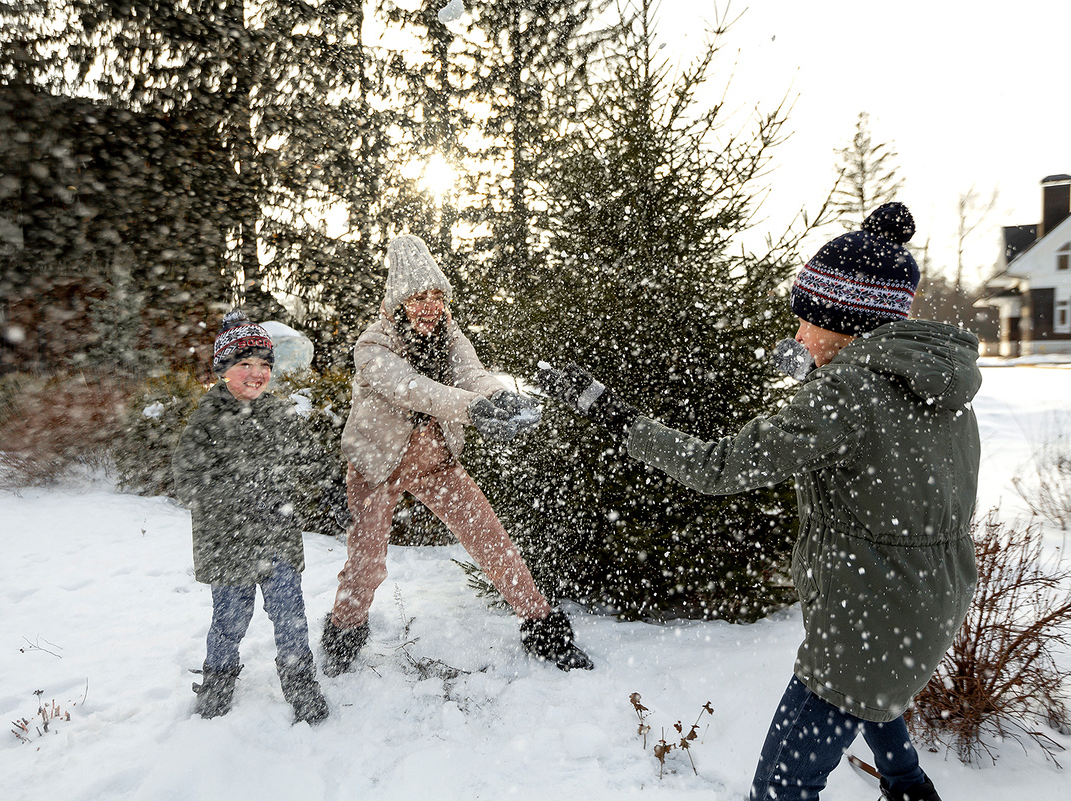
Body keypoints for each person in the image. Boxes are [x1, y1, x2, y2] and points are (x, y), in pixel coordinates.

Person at [538, 203, 978, 801]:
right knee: (876, 694)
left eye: (806, 320)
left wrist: (611, 414)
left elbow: (718, 467)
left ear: (845, 320)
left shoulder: (846, 393)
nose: (797, 335)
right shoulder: (936, 383)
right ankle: (907, 787)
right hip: (924, 600)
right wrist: (819, 377)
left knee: (780, 784)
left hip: (868, 614)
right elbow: (878, 455)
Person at [321, 234, 593, 676]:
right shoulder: (372, 345)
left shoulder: (449, 335)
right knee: (366, 564)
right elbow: (413, 389)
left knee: (492, 540)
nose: (429, 307)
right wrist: (475, 410)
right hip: (376, 466)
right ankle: (343, 633)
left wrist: (500, 397)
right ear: (398, 303)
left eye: (437, 297)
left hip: (435, 462)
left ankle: (543, 628)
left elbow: (472, 374)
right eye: (418, 298)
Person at [173, 310, 331, 724]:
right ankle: (218, 682)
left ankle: (300, 682)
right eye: (245, 363)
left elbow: (307, 460)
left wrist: (312, 482)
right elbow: (187, 478)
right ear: (223, 369)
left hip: (277, 538)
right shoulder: (208, 418)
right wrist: (233, 496)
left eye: (264, 364)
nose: (257, 373)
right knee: (230, 620)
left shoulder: (278, 414)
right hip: (228, 543)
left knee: (290, 615)